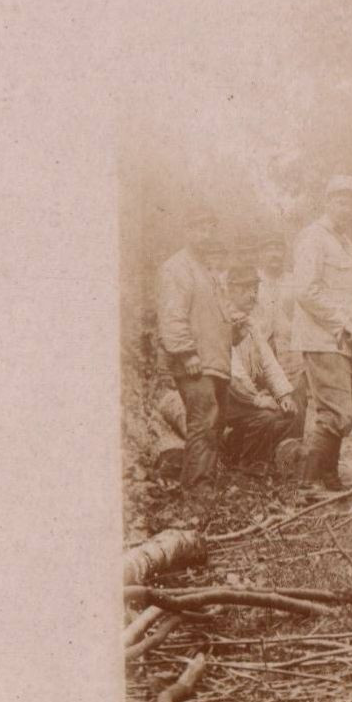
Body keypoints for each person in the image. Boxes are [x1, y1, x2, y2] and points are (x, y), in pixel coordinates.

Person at [292, 175, 352, 490]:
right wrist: (341, 322)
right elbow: (305, 291)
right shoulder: (313, 237)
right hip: (323, 338)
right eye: (341, 200)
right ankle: (308, 483)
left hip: (345, 341)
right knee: (337, 412)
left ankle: (328, 476)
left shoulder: (347, 244)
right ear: (327, 202)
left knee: (341, 413)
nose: (347, 208)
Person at [155, 204, 233, 490]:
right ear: (186, 231)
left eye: (210, 227)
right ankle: (198, 492)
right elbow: (172, 315)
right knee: (203, 422)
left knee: (214, 425)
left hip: (214, 361)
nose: (206, 233)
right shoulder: (177, 268)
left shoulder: (207, 270)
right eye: (199, 227)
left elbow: (216, 316)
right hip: (195, 361)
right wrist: (187, 352)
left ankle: (202, 484)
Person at [223, 265, 303, 469]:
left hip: (245, 394)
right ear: (231, 291)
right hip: (227, 395)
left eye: (255, 290)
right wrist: (258, 399)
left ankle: (273, 460)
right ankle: (250, 469)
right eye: (245, 290)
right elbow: (233, 372)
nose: (252, 296)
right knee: (265, 417)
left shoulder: (250, 323)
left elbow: (268, 363)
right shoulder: (222, 321)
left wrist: (284, 395)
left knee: (293, 411)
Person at [254, 236, 307, 419]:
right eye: (270, 249)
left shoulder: (295, 281)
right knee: (265, 406)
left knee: (296, 401)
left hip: (291, 352)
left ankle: (295, 444)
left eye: (279, 249)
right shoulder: (253, 280)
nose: (275, 254)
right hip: (260, 352)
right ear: (261, 254)